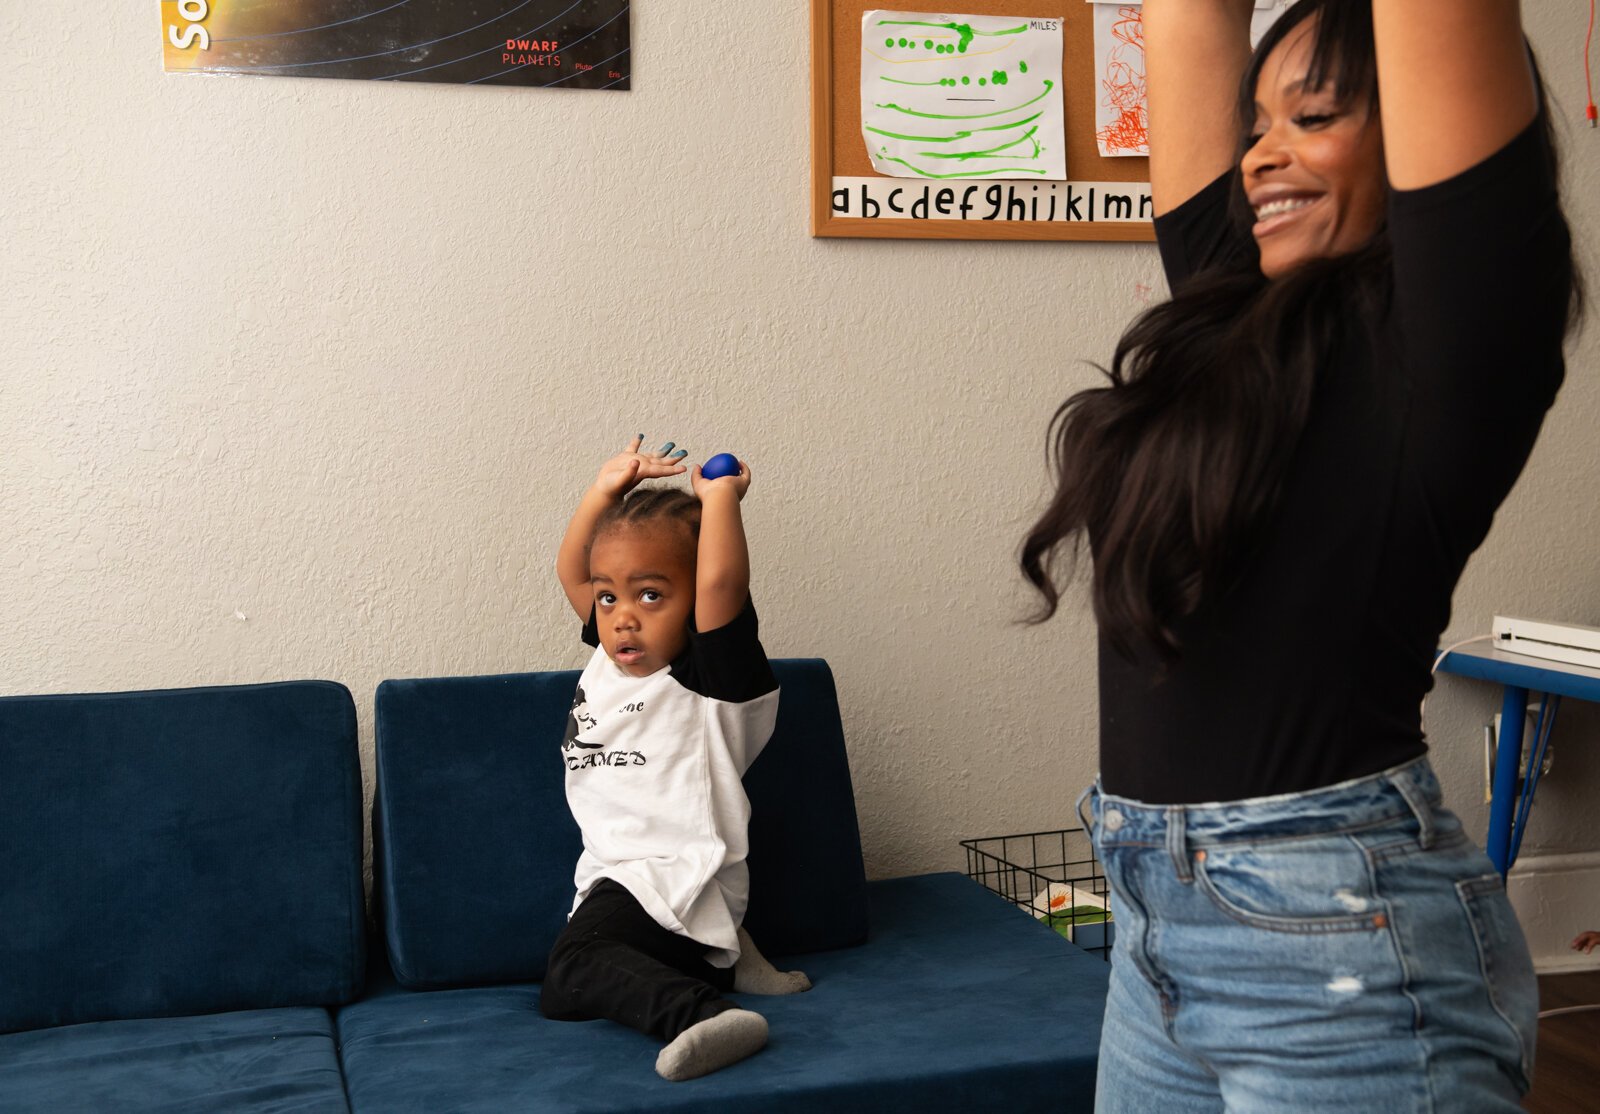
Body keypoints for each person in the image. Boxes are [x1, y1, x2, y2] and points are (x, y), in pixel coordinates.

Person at [1019, 0, 1579, 1109]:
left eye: (1312, 113)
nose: (1261, 153)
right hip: (1151, 922)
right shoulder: (1237, 326)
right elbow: (1185, 21)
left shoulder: (1460, 347)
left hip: (1340, 933)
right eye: (1253, 126)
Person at [540, 436, 810, 1082]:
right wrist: (603, 491)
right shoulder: (612, 658)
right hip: (619, 875)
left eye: (652, 596)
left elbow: (721, 580)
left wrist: (719, 501)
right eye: (612, 599)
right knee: (565, 991)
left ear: (696, 610)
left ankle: (702, 1015)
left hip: (674, 873)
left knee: (572, 970)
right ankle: (725, 952)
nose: (622, 619)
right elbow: (575, 573)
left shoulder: (711, 679)